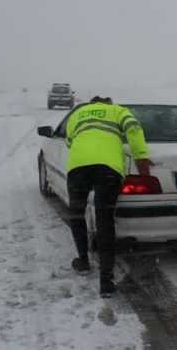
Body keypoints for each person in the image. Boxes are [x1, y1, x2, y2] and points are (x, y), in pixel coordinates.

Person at [65, 96, 152, 297]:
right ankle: (106, 281)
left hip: (78, 167)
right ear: (107, 103)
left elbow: (70, 141)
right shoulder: (117, 110)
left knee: (77, 215)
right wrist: (141, 157)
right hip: (108, 168)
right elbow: (134, 128)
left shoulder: (77, 113)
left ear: (92, 103)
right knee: (105, 220)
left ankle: (83, 262)